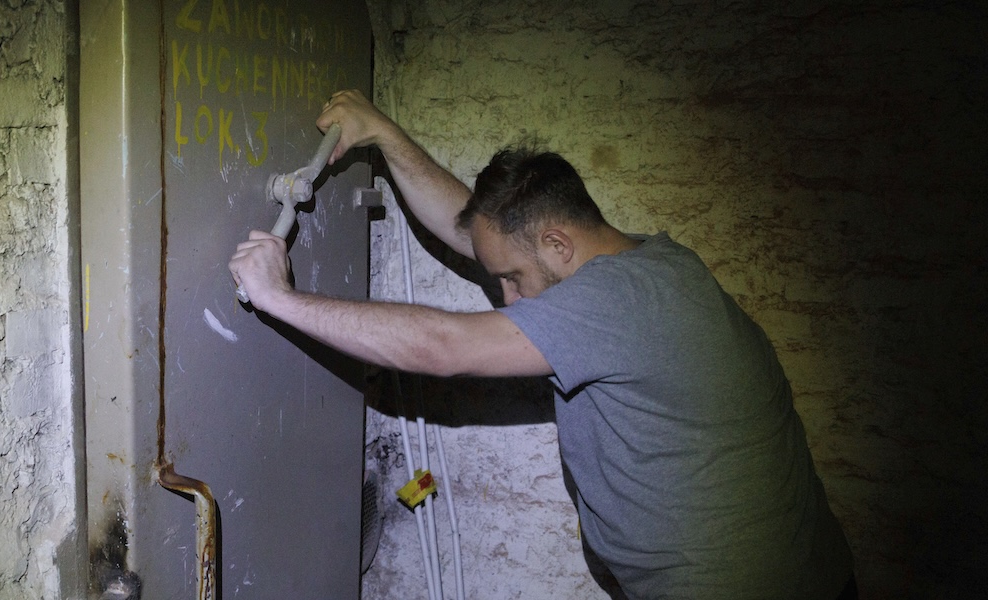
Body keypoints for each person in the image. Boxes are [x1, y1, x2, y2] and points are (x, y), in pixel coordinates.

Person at [229, 90, 855, 599]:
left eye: (512, 279)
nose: (507, 299)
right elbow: (473, 232)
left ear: (557, 244)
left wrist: (280, 296)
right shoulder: (652, 268)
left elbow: (445, 347)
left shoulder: (619, 300)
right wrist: (386, 136)